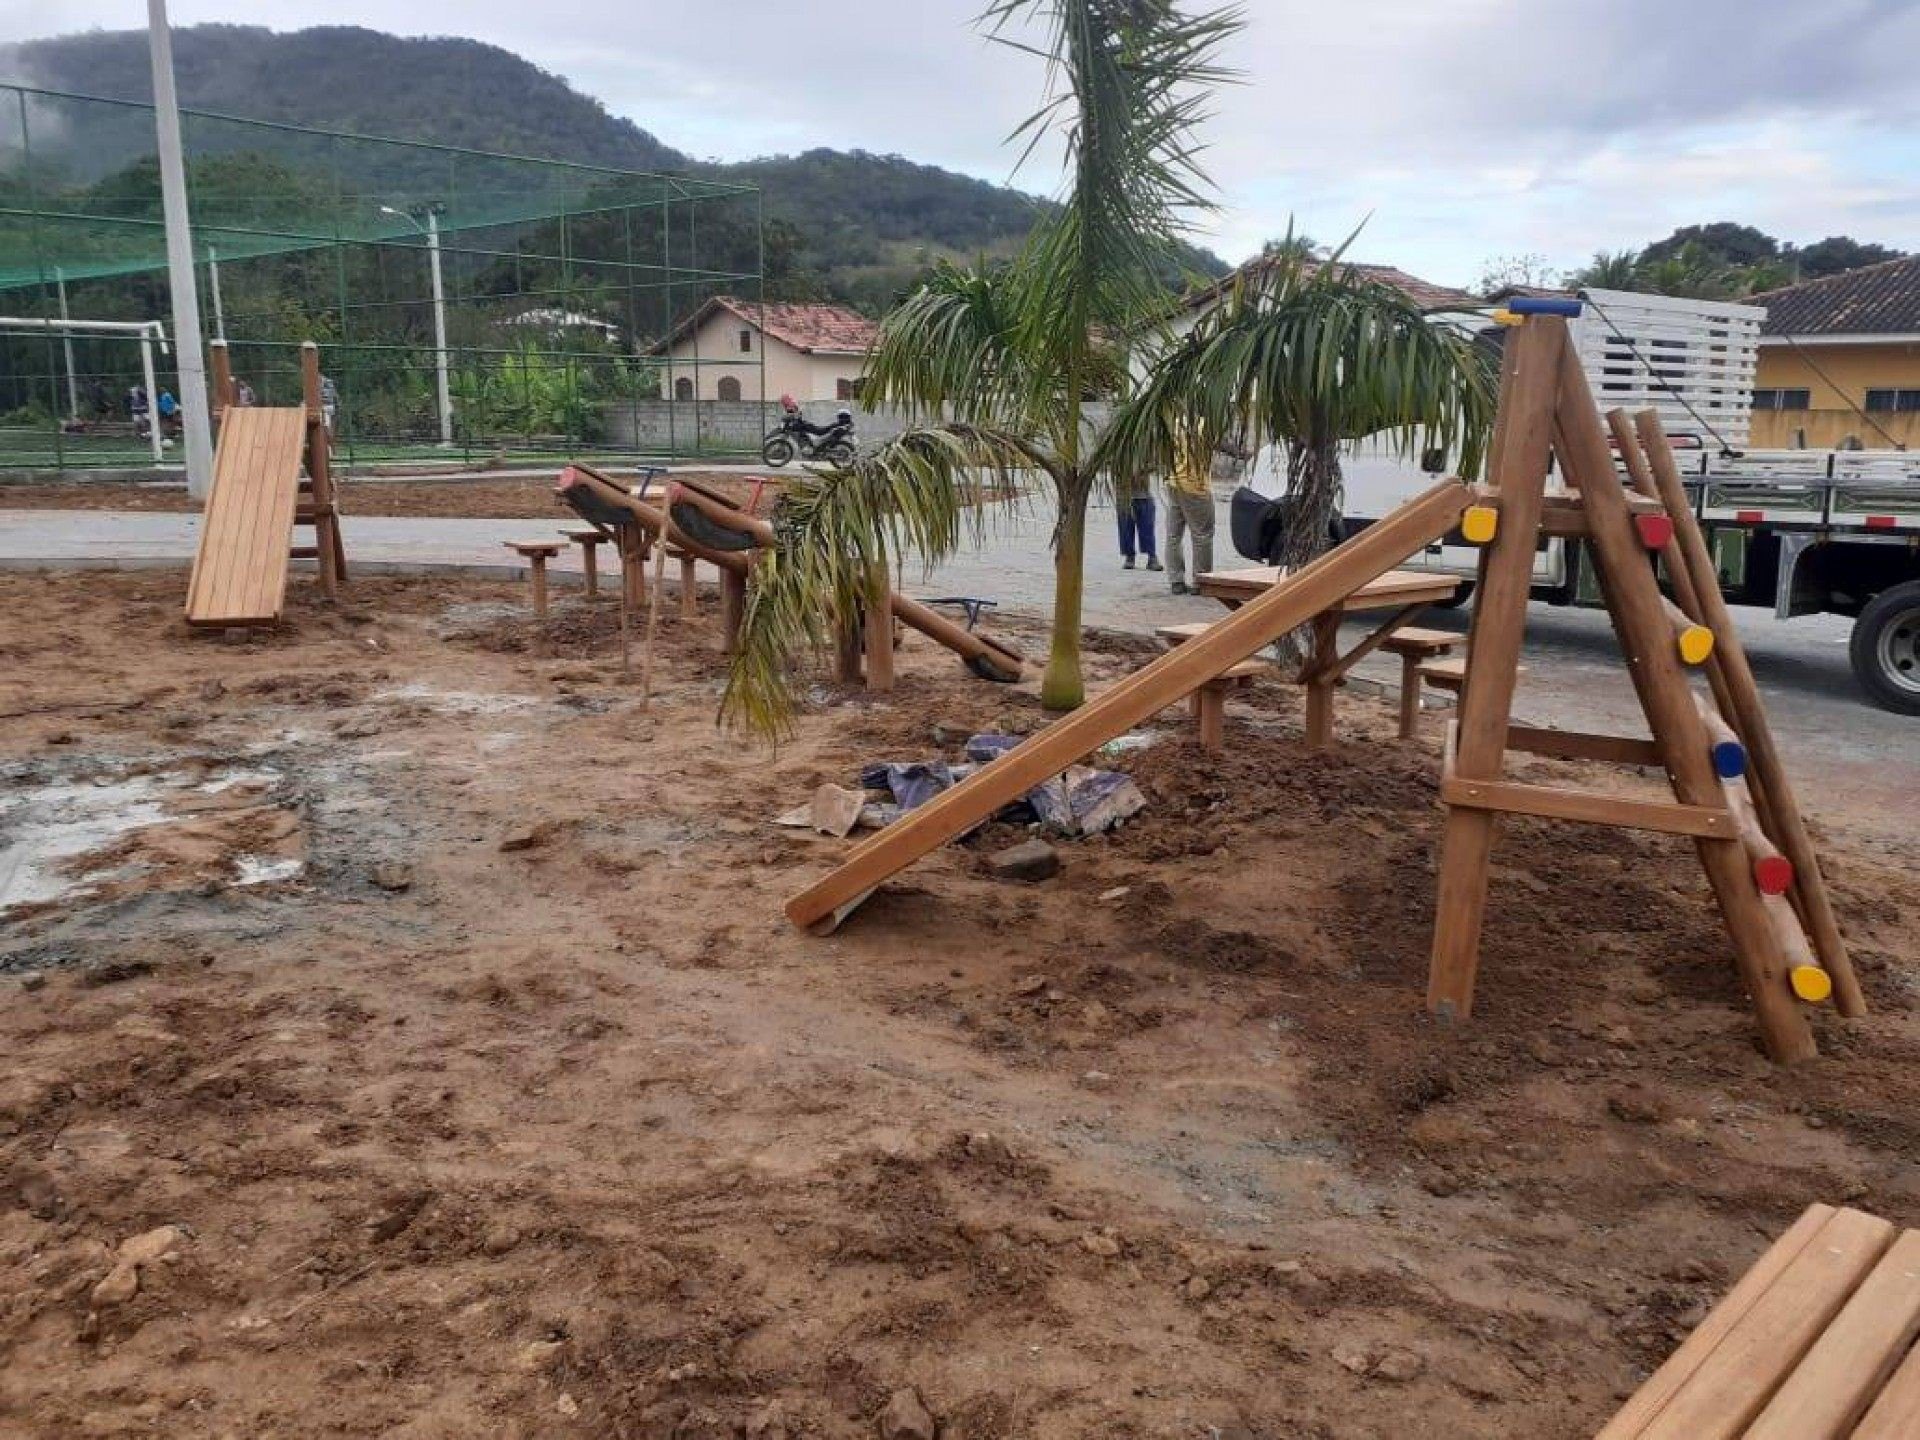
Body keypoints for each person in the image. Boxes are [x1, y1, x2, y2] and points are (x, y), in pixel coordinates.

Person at [1163, 421, 1216, 595]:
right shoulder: (1204, 424)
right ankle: (1201, 581)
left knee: (1173, 535)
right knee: (1202, 535)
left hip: (1174, 482)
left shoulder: (1178, 422)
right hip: (1195, 486)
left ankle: (1176, 581)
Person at [1114, 472, 1160, 571]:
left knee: (1147, 528)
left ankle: (1152, 557)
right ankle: (1129, 556)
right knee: (1125, 529)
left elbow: (1154, 466)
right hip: (1124, 496)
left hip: (1145, 496)